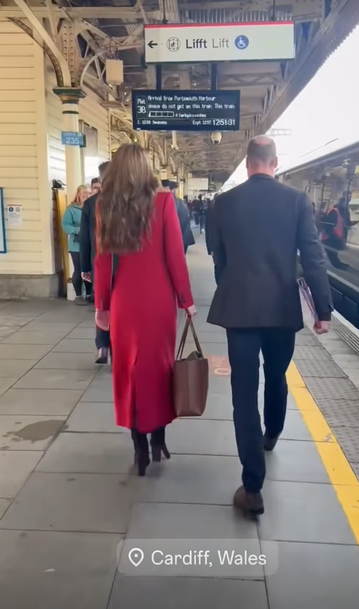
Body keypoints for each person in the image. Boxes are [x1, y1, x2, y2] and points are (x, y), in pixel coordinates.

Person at [207, 136, 333, 516]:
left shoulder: (223, 203)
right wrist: (322, 310)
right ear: (274, 163)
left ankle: (252, 488)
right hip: (281, 311)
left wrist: (232, 290)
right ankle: (273, 432)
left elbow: (219, 259)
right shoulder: (296, 201)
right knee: (276, 375)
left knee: (243, 395)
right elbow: (313, 257)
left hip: (240, 312)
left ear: (248, 163)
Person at [94, 144, 196, 476]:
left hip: (125, 301)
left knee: (129, 371)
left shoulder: (105, 207)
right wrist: (186, 298)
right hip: (159, 301)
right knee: (160, 369)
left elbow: (102, 262)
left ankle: (138, 446)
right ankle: (158, 440)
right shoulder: (164, 201)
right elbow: (175, 256)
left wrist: (102, 306)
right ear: (146, 169)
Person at [80, 161, 111, 363]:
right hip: (122, 266)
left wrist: (84, 267)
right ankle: (117, 345)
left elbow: (84, 238)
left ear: (100, 179)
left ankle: (102, 346)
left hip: (97, 262)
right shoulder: (126, 201)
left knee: (101, 305)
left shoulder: (91, 203)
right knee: (117, 306)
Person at [62, 184, 92, 305]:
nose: (87, 195)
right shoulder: (71, 209)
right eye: (84, 193)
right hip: (76, 245)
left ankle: (89, 294)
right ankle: (79, 296)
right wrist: (78, 230)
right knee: (79, 269)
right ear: (78, 194)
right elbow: (66, 225)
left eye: (89, 193)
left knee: (89, 269)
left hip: (90, 244)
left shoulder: (92, 207)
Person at [163, 180, 195, 254]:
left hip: (177, 239)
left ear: (167, 189)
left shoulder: (171, 202)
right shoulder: (180, 202)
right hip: (183, 237)